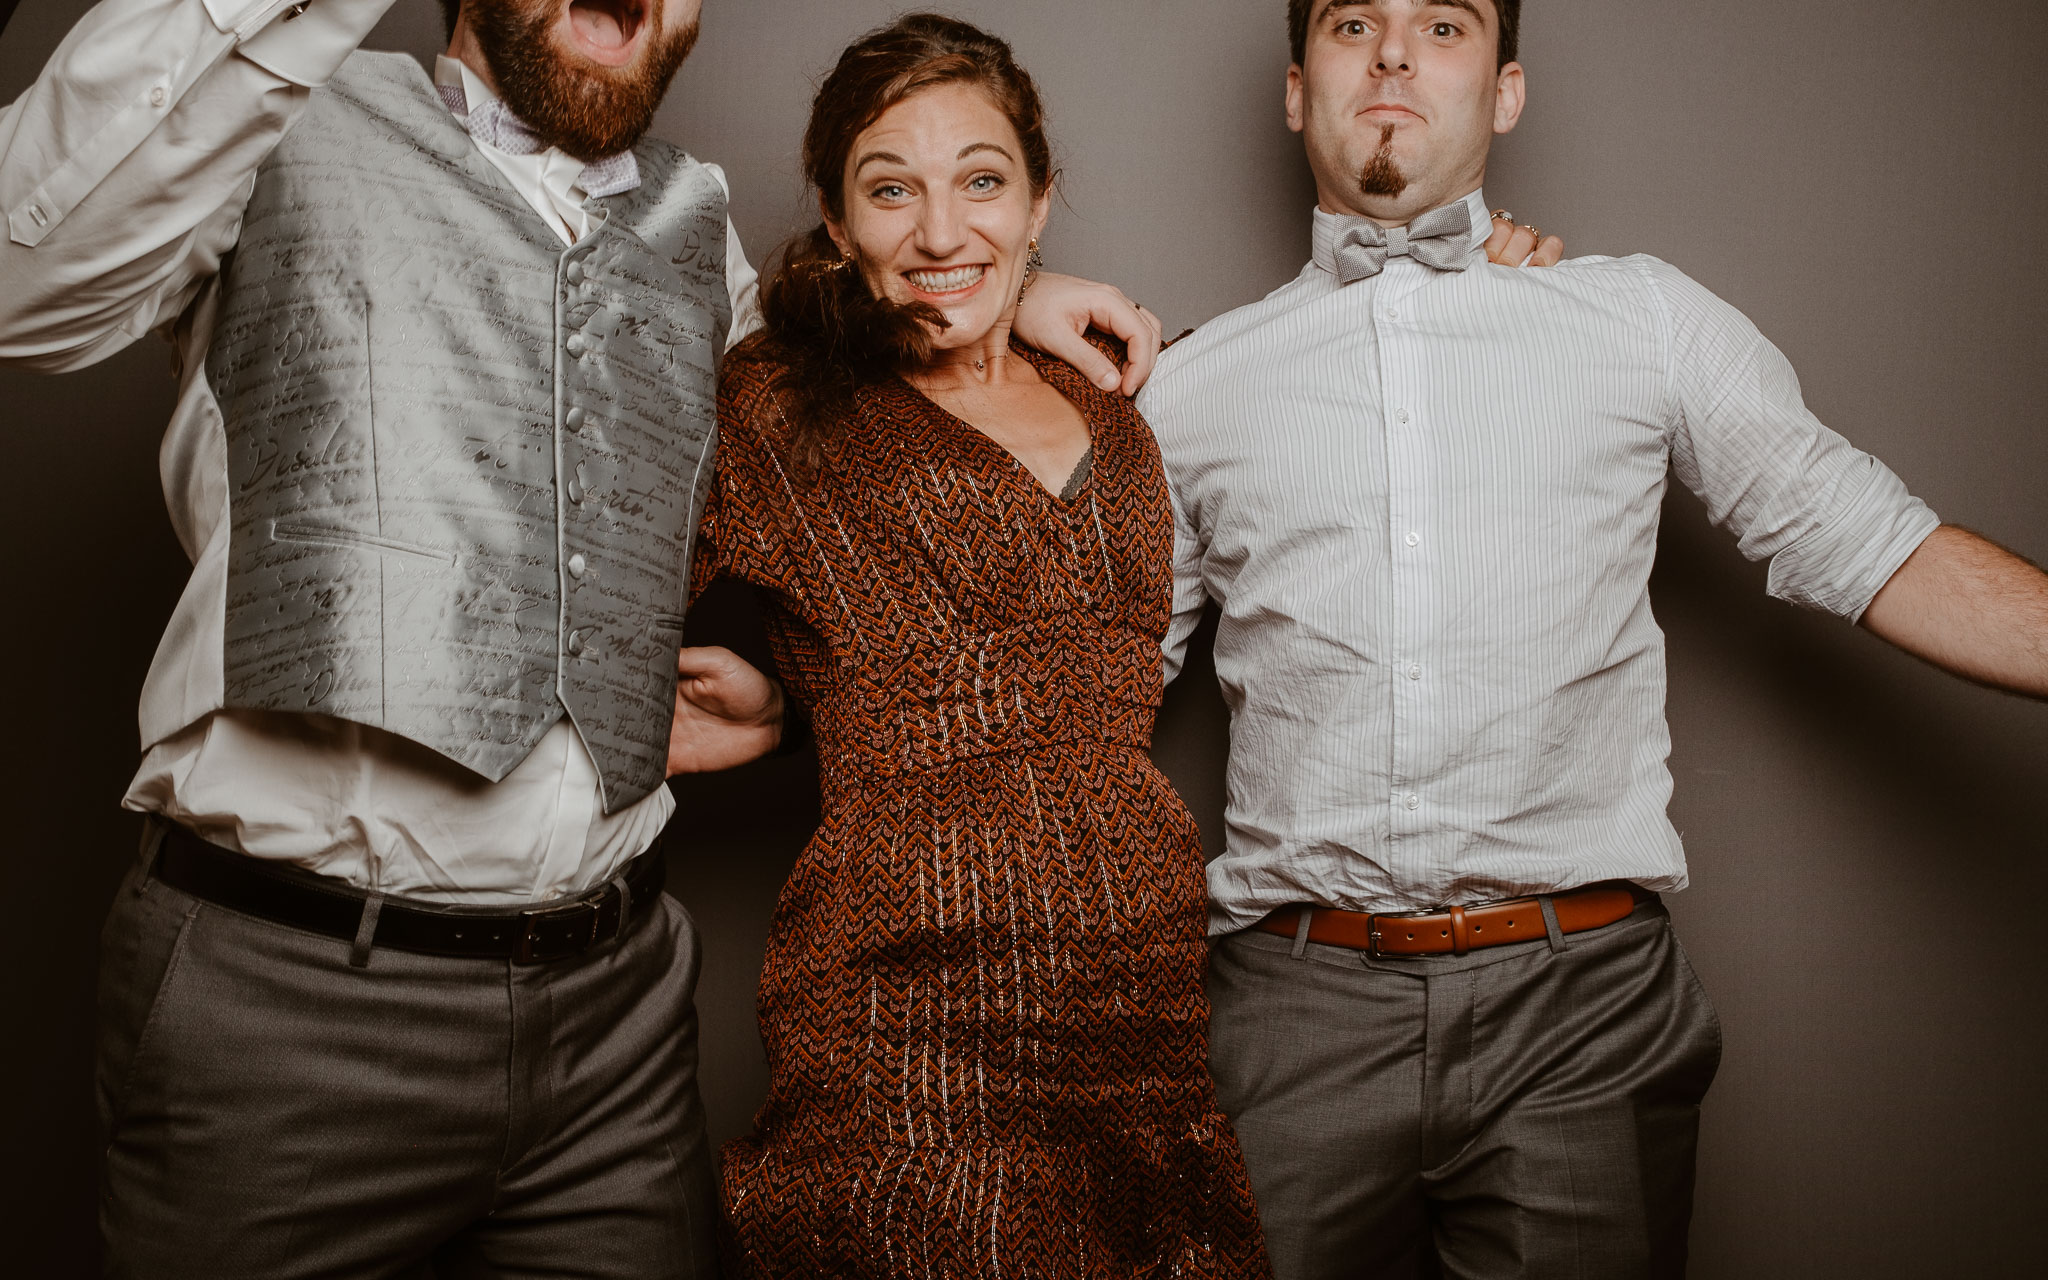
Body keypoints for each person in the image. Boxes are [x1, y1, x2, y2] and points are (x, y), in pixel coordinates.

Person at [0, 0, 1165, 1274]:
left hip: (616, 1015)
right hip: (292, 990)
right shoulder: (269, 115)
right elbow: (23, 284)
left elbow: (837, 401)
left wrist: (1000, 289)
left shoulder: (696, 228)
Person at [1136, 2, 2048, 1277]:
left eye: (1440, 24)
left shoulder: (1638, 319)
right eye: (1354, 22)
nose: (1394, 52)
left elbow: (1862, 537)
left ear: (1503, 93)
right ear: (1297, 91)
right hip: (1288, 1011)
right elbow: (1083, 692)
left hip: (1579, 1012)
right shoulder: (1186, 386)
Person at [685, 15, 1285, 1277]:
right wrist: (794, 700)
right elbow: (568, 559)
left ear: (1039, 200)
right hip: (904, 1003)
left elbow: (1048, 657)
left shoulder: (1114, 402)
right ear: (838, 225)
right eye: (889, 189)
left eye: (981, 181)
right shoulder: (775, 403)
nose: (942, 231)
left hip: (1138, 1008)